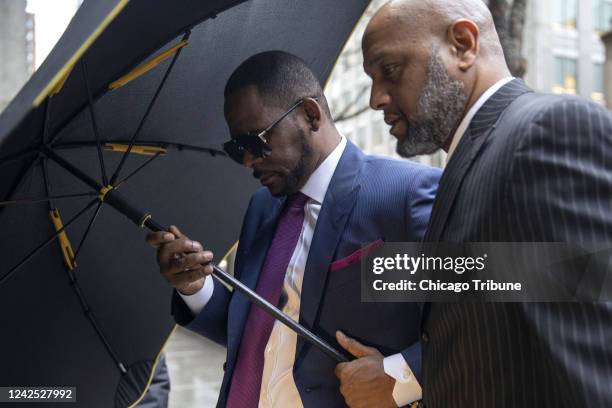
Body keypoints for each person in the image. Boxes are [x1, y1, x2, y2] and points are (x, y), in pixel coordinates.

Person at [146, 51, 441, 407]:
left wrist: (402, 377)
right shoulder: (262, 208)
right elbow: (254, 331)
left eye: (256, 142)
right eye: (236, 148)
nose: (248, 161)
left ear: (310, 114)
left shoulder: (405, 194)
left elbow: (500, 310)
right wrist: (195, 288)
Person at [361, 0, 612, 407]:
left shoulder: (547, 131)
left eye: (388, 70)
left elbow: (591, 366)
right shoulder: (468, 161)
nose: (376, 98)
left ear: (463, 44)